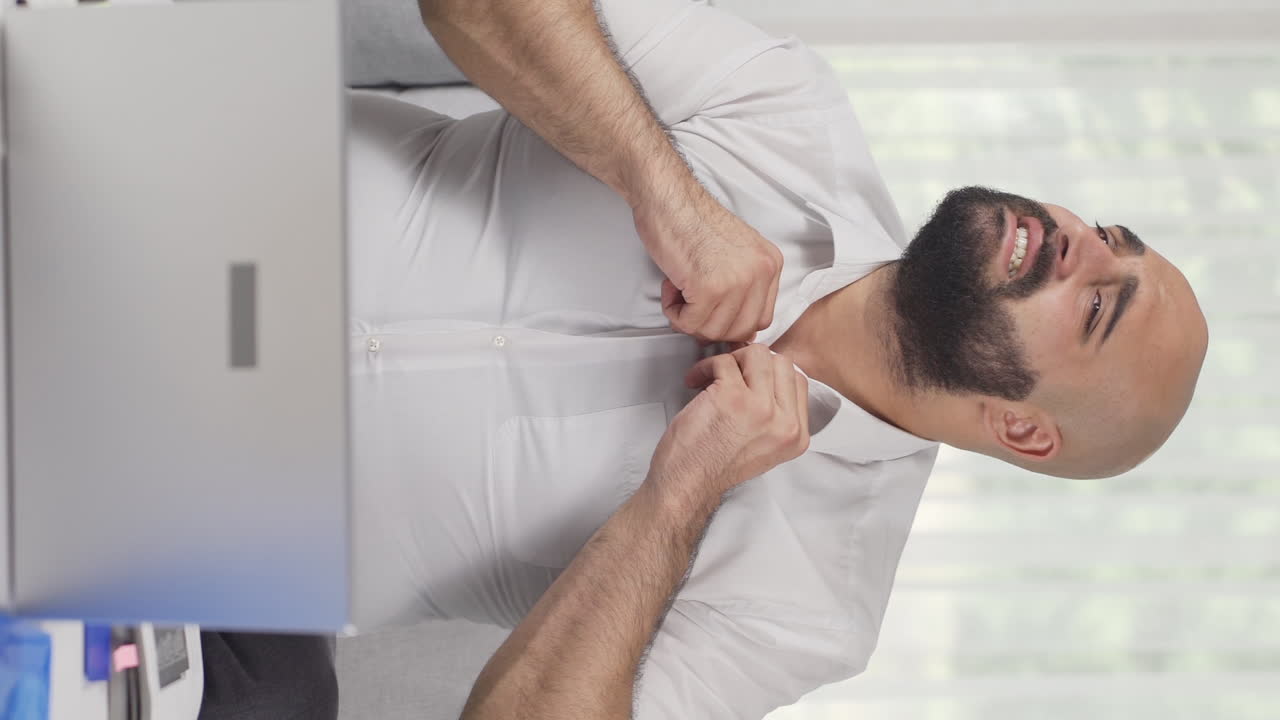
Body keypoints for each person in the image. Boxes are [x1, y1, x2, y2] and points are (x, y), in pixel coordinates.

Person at [201, 0, 1210, 718]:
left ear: (1023, 431)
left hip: (198, 532)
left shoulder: (809, 604)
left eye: (1096, 309)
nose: (1081, 245)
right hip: (188, 185)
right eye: (1111, 237)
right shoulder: (787, 114)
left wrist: (677, 495)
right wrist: (664, 192)